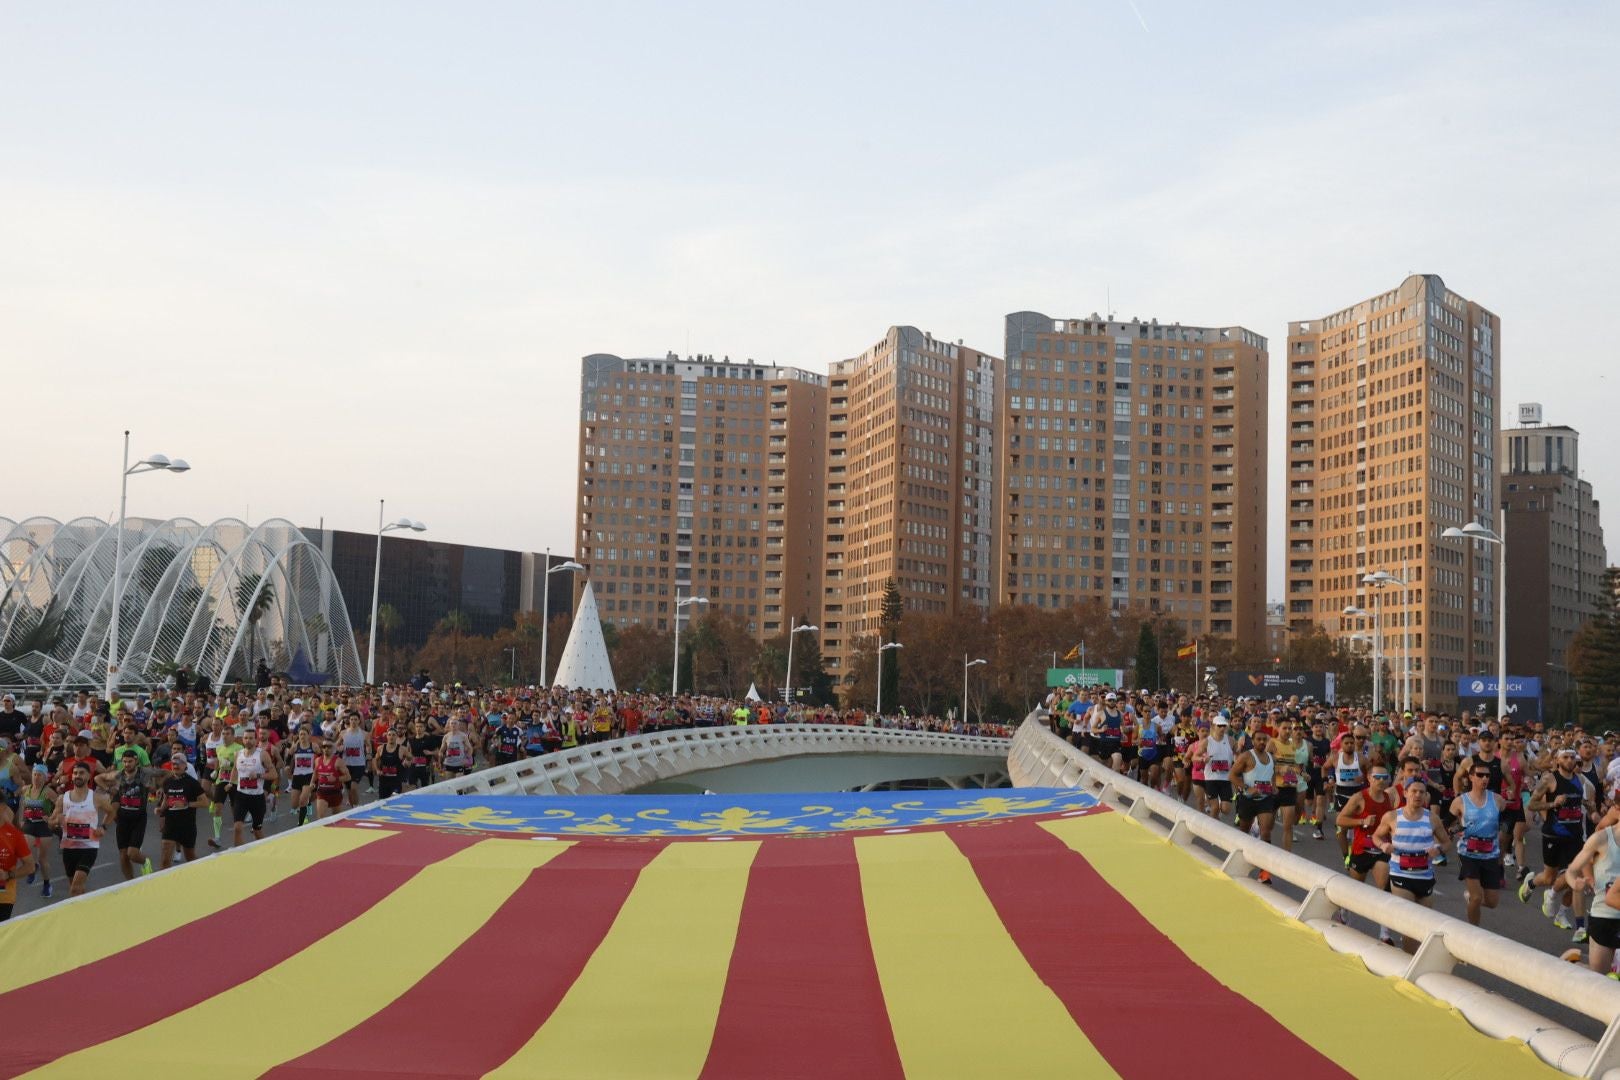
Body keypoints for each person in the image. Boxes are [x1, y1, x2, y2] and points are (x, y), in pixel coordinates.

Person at [1522, 746, 1596, 941]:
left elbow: (1587, 803)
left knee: (1576, 877)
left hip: (1574, 837)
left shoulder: (1580, 780)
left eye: (1573, 757)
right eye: (1566, 757)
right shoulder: (1549, 779)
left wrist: (1589, 806)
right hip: (1554, 835)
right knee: (1549, 877)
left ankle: (1574, 922)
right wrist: (1553, 804)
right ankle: (1531, 883)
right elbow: (1532, 804)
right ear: (1557, 760)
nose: (1571, 760)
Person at [1375, 771, 1451, 952]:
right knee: (1410, 923)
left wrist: (1438, 849)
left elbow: (1447, 842)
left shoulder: (1431, 818)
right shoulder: (1392, 817)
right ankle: (1408, 962)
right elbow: (1377, 836)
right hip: (1400, 875)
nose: (1418, 795)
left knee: (1423, 927)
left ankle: (1410, 958)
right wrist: (1383, 845)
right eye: (1414, 791)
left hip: (1425, 876)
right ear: (1405, 793)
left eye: (1422, 792)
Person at [1451, 761, 1508, 927]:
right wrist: (1456, 830)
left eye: (1487, 776)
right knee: (1477, 897)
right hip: (1468, 853)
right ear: (1471, 777)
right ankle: (1473, 932)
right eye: (1480, 775)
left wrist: (1502, 832)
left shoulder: (1497, 800)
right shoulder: (1460, 801)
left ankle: (1470, 899)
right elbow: (1449, 824)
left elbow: (1506, 822)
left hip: (1490, 853)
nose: (1484, 778)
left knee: (1492, 902)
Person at [1568, 810, 1620, 976]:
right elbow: (1572, 870)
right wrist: (1576, 883)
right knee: (1597, 977)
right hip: (1603, 916)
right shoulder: (1601, 839)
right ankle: (1569, 965)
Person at [49, 762, 111, 897]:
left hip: (89, 847)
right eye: (75, 773)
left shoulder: (96, 797)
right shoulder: (62, 798)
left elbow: (111, 812)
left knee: (75, 889)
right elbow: (51, 822)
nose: (78, 776)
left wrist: (103, 827)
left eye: (82, 773)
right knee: (76, 889)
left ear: (89, 776)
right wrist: (56, 821)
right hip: (69, 848)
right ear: (71, 776)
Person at [1337, 765, 1394, 895]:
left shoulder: (1389, 797)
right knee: (1355, 893)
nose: (1381, 781)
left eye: (1384, 778)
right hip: (1361, 850)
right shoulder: (1359, 797)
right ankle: (1343, 913)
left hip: (1381, 849)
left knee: (1385, 892)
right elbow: (1340, 820)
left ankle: (1382, 914)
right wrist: (1362, 821)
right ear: (1369, 778)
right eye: (1377, 777)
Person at [1231, 729, 1278, 880]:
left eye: (1264, 740)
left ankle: (1265, 871)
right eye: (1259, 739)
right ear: (1252, 740)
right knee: (1243, 831)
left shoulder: (1271, 757)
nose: (1262, 742)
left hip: (1265, 799)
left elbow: (1272, 774)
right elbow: (1232, 775)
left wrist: (1274, 786)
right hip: (1247, 799)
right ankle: (1238, 860)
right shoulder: (1246, 756)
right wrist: (1247, 788)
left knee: (1266, 832)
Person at [105, 749, 155, 880]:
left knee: (132, 853)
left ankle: (145, 862)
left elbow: (156, 783)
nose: (127, 764)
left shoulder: (143, 775)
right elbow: (99, 778)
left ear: (136, 761)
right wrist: (108, 790)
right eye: (125, 761)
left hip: (138, 818)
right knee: (123, 855)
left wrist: (156, 788)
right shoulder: (119, 776)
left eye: (130, 761)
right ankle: (130, 882)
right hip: (122, 819)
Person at [157, 751, 206, 869]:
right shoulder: (167, 782)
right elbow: (166, 799)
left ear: (186, 766)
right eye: (174, 763)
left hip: (187, 825)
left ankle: (203, 871)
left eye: (179, 763)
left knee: (190, 858)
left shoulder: (192, 783)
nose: (176, 766)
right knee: (164, 860)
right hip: (170, 824)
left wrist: (186, 803)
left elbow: (205, 802)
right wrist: (161, 810)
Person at [230, 727, 276, 847]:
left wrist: (259, 775)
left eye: (251, 738)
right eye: (246, 738)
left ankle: (265, 850)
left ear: (256, 740)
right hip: (241, 796)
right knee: (237, 827)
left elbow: (274, 774)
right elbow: (235, 769)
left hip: (257, 798)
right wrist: (230, 783)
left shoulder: (262, 755)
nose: (248, 740)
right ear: (242, 740)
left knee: (257, 829)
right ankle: (238, 854)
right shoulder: (238, 754)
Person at [18, 765, 56, 897]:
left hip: (43, 826)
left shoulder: (48, 792)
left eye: (39, 775)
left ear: (45, 777)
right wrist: (21, 819)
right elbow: (23, 804)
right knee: (24, 852)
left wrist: (51, 817)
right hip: (29, 824)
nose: (36, 777)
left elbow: (61, 805)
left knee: (42, 858)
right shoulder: (26, 789)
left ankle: (47, 884)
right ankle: (32, 868)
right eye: (34, 774)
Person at [0, 802, 35, 921]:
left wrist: (8, 875)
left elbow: (30, 867)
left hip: (3, 895)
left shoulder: (15, 835)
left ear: (3, 807)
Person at [312, 739, 349, 820]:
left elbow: (348, 777)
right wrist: (311, 783)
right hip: (322, 792)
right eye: (324, 746)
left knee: (336, 819)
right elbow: (315, 773)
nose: (326, 749)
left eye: (329, 746)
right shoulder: (317, 760)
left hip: (335, 792)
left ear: (333, 748)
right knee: (320, 817)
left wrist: (336, 779)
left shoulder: (338, 761)